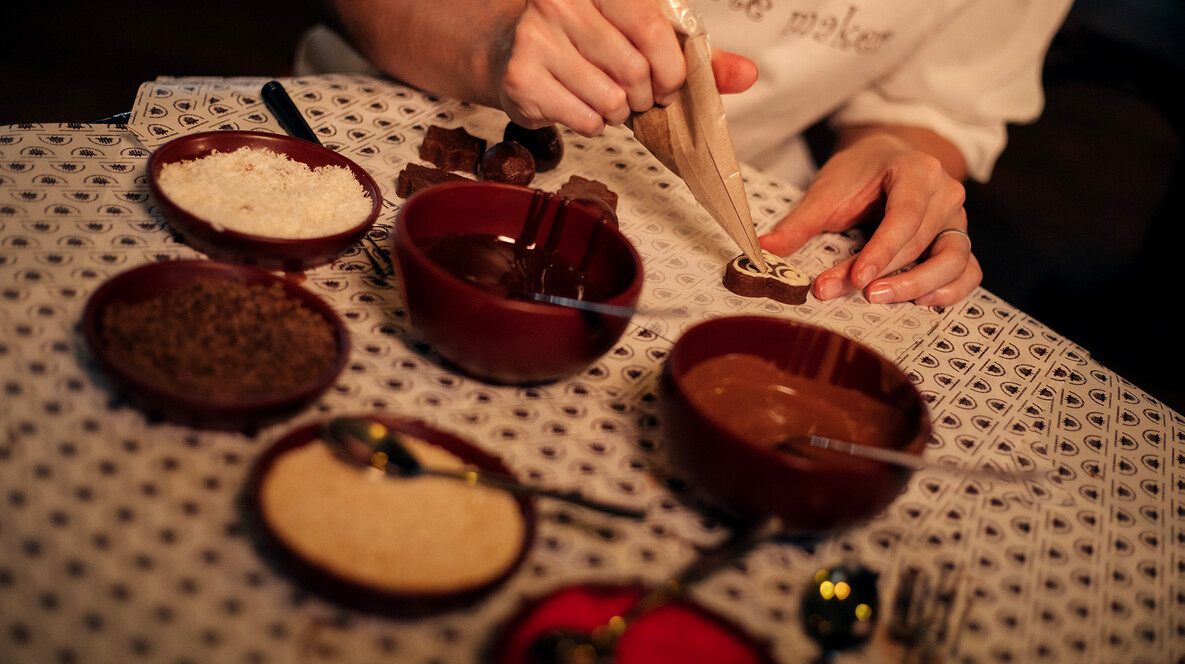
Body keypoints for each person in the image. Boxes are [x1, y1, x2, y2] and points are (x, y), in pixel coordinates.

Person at [298, 0, 1073, 306]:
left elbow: (932, 105)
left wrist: (894, 155)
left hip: (713, 231)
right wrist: (489, 36)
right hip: (384, 118)